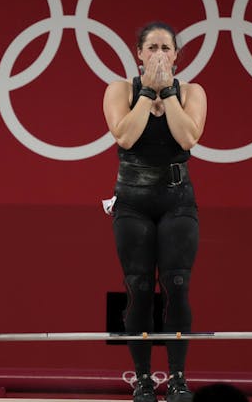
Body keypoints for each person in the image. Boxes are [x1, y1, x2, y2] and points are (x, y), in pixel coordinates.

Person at [103, 21, 207, 402]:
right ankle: (143, 379)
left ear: (177, 57)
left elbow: (188, 137)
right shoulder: (119, 90)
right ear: (139, 54)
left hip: (178, 199)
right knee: (139, 289)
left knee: (177, 287)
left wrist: (170, 96)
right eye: (153, 48)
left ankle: (178, 378)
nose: (160, 54)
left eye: (167, 48)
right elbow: (125, 136)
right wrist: (148, 92)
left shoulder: (193, 92)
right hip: (131, 200)